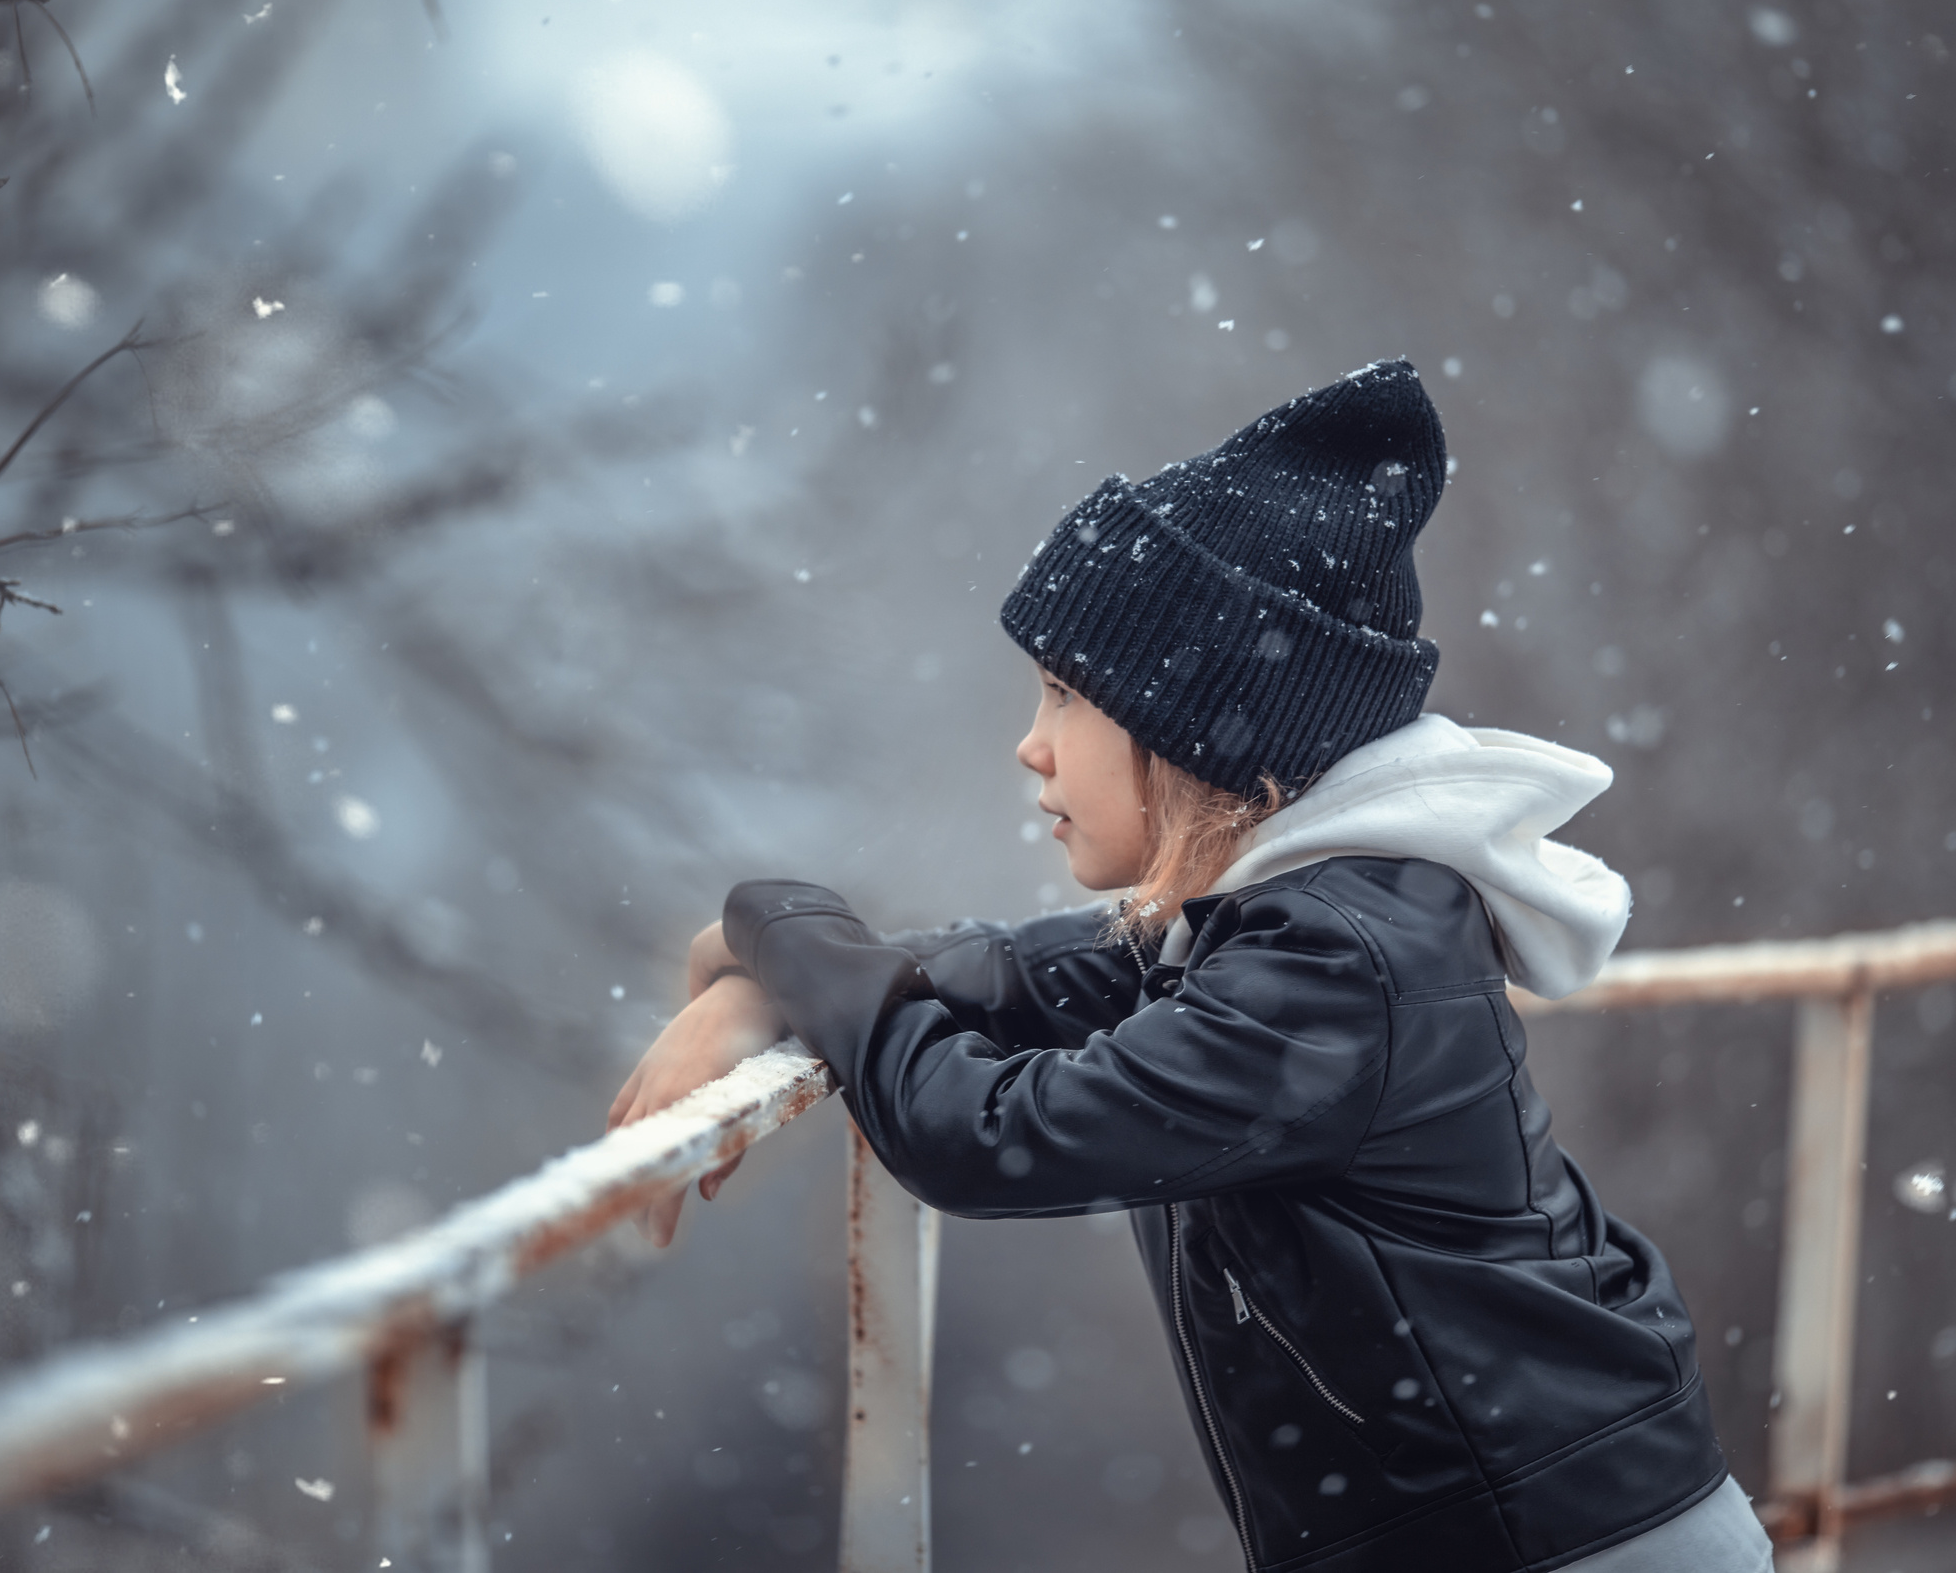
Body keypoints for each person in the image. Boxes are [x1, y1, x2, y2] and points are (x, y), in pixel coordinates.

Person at [606, 360, 1775, 1571]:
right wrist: (773, 973)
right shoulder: (1284, 922)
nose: (1030, 746)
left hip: (1559, 1546)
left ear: (1191, 727)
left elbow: (986, 1134)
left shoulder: (1329, 961)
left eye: (1064, 693)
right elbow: (1019, 977)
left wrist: (780, 928)